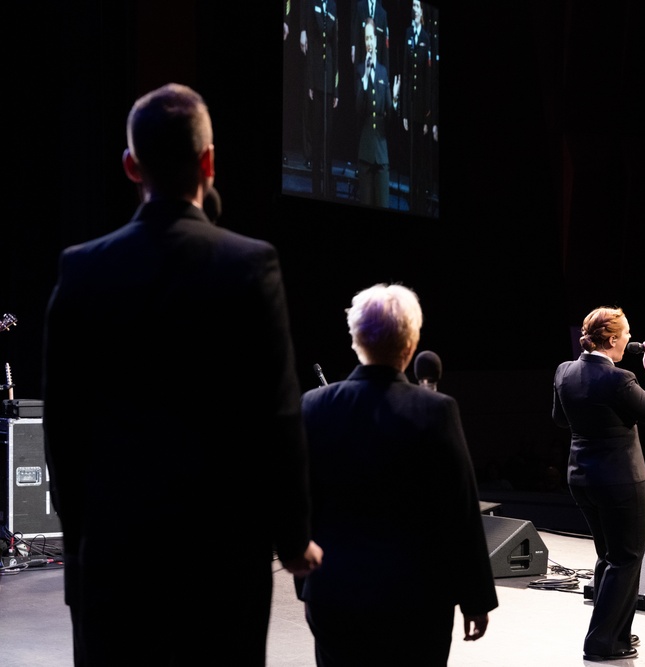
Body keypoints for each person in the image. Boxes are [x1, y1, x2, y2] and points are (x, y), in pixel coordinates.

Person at [41, 83, 322, 666]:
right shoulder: (249, 264)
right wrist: (293, 539)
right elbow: (279, 415)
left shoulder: (82, 269)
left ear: (129, 166)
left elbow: (62, 431)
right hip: (221, 564)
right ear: (209, 162)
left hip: (115, 557)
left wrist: (82, 545)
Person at [296, 283, 498, 666]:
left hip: (333, 592)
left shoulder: (314, 404)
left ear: (356, 339)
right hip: (416, 598)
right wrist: (476, 599)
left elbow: (297, 496)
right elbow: (461, 510)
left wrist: (306, 580)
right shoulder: (436, 409)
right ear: (410, 344)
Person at [552, 306, 645, 662]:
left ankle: (616, 635)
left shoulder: (565, 371)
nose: (631, 339)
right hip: (620, 480)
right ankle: (602, 641)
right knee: (626, 558)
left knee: (609, 556)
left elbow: (560, 419)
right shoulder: (620, 379)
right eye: (628, 333)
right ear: (614, 339)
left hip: (581, 478)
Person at [355, 17, 400, 207]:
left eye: (371, 38)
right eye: (366, 39)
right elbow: (358, 111)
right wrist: (364, 79)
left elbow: (390, 114)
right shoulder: (359, 71)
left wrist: (395, 99)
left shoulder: (383, 72)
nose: (369, 42)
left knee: (383, 203)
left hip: (381, 153)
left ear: (376, 39)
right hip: (365, 151)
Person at [300, 0, 340, 198]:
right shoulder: (313, 4)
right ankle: (316, 187)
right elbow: (309, 51)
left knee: (328, 135)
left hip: (329, 78)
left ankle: (328, 186)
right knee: (316, 134)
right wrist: (309, 83)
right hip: (315, 78)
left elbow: (337, 47)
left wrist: (337, 89)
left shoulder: (332, 6)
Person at [400, 0, 437, 215]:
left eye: (417, 6)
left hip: (423, 110)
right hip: (411, 107)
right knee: (412, 156)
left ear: (422, 11)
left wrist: (428, 116)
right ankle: (413, 200)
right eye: (412, 6)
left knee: (422, 158)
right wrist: (404, 111)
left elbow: (429, 79)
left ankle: (421, 202)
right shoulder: (408, 34)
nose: (413, 9)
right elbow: (406, 73)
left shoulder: (427, 38)